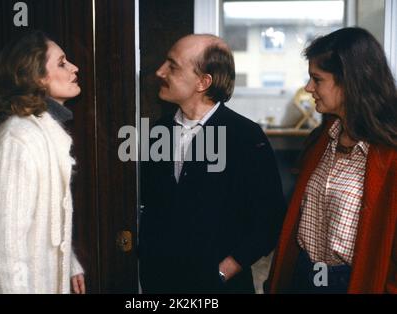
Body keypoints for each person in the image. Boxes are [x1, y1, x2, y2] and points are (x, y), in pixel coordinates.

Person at [139, 34, 286, 293]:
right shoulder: (156, 132)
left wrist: (223, 271)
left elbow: (270, 220)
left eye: (172, 66)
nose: (160, 72)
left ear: (203, 82)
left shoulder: (246, 136)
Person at [266, 27, 397, 294]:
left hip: (350, 282)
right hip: (304, 273)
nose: (308, 88)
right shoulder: (322, 138)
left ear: (350, 81)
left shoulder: (390, 155)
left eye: (317, 79)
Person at [0, 31, 86, 294]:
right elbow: (2, 252)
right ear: (37, 77)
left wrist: (69, 263)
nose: (74, 68)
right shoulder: (18, 139)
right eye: (62, 63)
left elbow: (43, 216)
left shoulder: (42, 132)